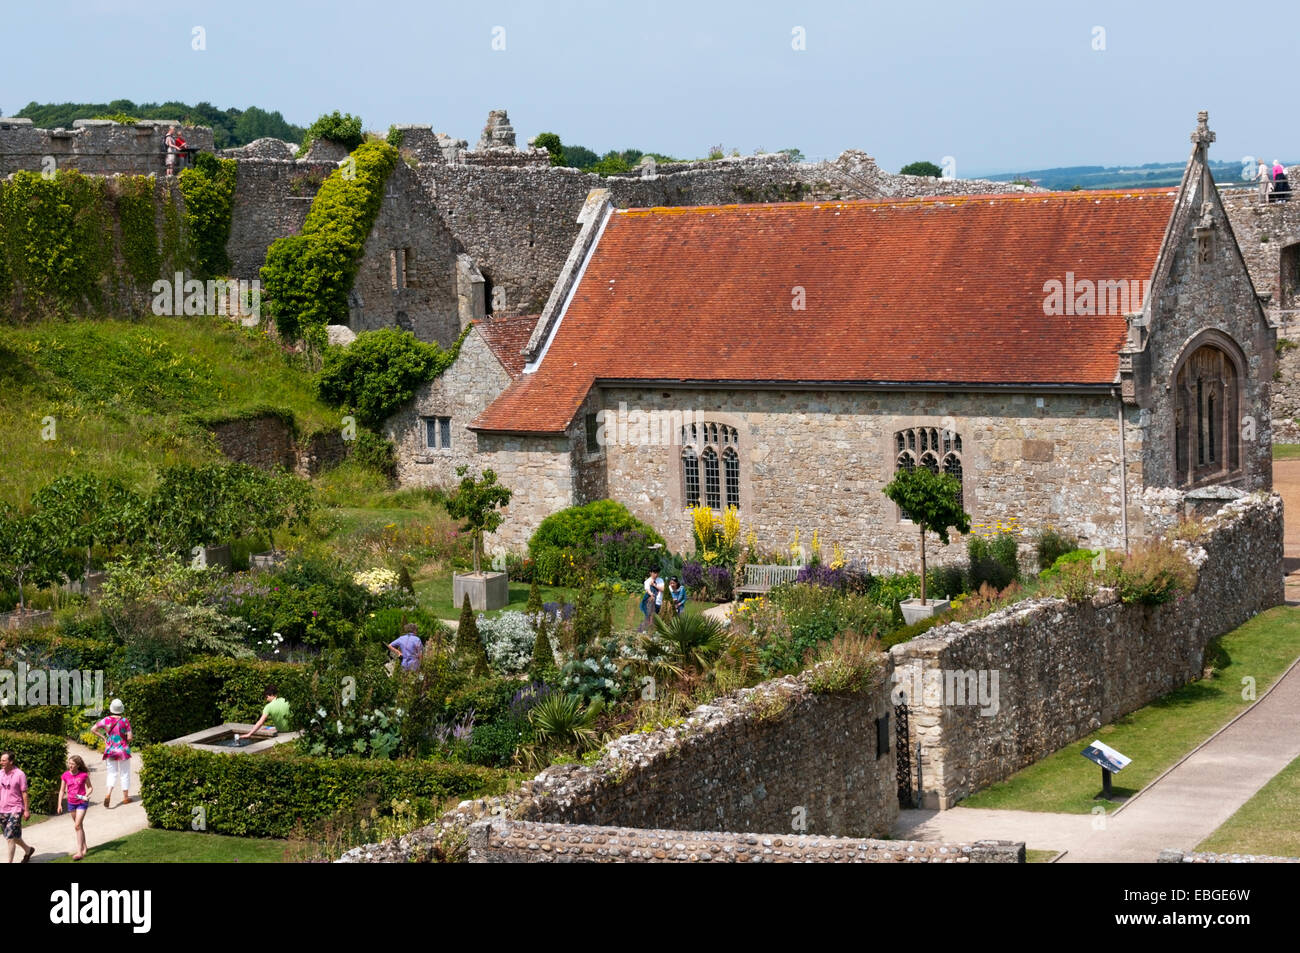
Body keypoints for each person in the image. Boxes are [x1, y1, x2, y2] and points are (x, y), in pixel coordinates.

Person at [92, 699, 133, 808]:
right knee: (125, 773)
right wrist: (124, 739)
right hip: (123, 750)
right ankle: (125, 798)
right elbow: (130, 737)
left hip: (110, 750)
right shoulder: (125, 721)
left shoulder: (106, 720)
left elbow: (93, 729)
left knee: (112, 773)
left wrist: (104, 737)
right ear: (121, 709)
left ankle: (108, 793)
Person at [57, 755, 93, 861]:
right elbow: (61, 791)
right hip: (71, 803)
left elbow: (90, 787)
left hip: (82, 802)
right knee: (79, 826)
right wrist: (59, 804)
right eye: (69, 763)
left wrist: (86, 795)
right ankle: (84, 846)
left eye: (72, 764)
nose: (70, 765)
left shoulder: (83, 775)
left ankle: (79, 852)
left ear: (78, 765)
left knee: (77, 825)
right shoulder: (65, 775)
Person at [0, 751, 34, 863]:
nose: (1, 762)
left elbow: (24, 793)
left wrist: (26, 810)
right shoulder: (0, 773)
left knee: (9, 837)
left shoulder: (20, 774)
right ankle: (28, 850)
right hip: (2, 809)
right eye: (1, 760)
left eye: (4, 760)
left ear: (11, 761)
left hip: (15, 808)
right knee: (13, 836)